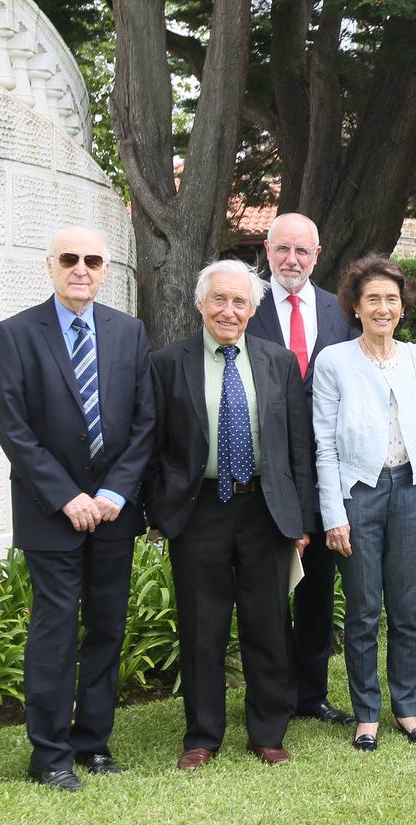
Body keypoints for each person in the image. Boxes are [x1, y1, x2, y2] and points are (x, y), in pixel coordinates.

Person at [0, 226, 156, 792]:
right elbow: (13, 428)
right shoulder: (15, 334)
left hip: (113, 514)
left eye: (92, 260)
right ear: (51, 266)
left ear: (106, 270)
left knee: (107, 628)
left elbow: (144, 423)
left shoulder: (129, 332)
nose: (80, 268)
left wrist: (112, 494)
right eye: (69, 258)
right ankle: (50, 754)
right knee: (56, 631)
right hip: (49, 514)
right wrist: (68, 497)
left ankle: (93, 744)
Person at [146, 259, 317, 770]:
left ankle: (267, 732)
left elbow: (297, 447)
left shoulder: (278, 361)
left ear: (252, 309)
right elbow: (152, 446)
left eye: (239, 301)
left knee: (267, 622)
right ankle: (202, 735)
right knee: (203, 625)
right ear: (200, 304)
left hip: (265, 506)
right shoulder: (167, 363)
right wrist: (161, 509)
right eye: (218, 299)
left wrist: (302, 520)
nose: (228, 310)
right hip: (199, 509)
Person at [312, 256, 416, 751]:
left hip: (411, 492)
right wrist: (334, 515)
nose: (383, 307)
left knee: (407, 610)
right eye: (373, 298)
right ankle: (366, 713)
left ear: (403, 307)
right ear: (355, 305)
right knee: (364, 610)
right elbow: (323, 445)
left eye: (392, 298)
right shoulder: (333, 361)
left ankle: (407, 709)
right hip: (359, 495)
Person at [246, 212, 358, 727]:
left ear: (318, 254)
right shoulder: (244, 304)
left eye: (302, 251)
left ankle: (312, 694)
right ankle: (277, 694)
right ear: (267, 250)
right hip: (264, 470)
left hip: (325, 474)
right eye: (282, 249)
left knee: (316, 589)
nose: (292, 260)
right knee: (270, 588)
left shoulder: (342, 313)